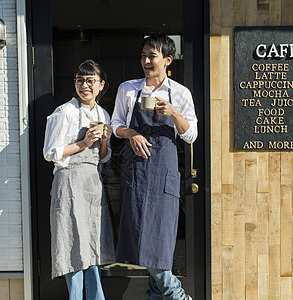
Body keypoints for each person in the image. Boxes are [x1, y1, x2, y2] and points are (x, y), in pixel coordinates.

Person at [111, 33, 197, 300]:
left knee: (158, 242)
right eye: (144, 55)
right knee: (139, 240)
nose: (146, 61)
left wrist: (174, 113)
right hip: (136, 172)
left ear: (167, 60)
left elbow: (191, 134)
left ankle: (176, 296)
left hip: (163, 174)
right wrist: (132, 134)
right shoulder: (128, 89)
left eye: (152, 56)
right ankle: (164, 296)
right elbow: (115, 125)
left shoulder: (180, 93)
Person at [43, 60, 115, 299]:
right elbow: (50, 152)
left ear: (101, 85)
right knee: (72, 243)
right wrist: (83, 143)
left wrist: (104, 140)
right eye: (80, 80)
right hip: (69, 181)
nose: (85, 85)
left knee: (92, 244)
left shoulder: (102, 114)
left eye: (90, 80)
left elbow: (103, 158)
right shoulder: (65, 112)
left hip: (92, 183)